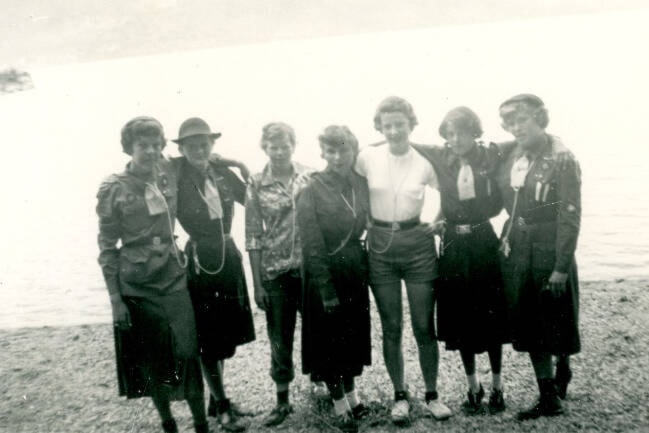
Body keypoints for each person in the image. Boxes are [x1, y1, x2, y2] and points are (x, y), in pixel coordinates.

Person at [96, 116, 211, 433]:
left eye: (155, 145)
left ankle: (202, 425)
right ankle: (168, 423)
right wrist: (116, 300)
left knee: (188, 352)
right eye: (141, 145)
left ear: (162, 146)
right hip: (137, 284)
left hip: (174, 277)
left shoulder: (169, 171)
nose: (149, 151)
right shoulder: (113, 189)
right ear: (129, 148)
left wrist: (238, 161)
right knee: (152, 359)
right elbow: (106, 248)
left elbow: (200, 156)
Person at [355, 96, 452, 425]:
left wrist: (436, 221)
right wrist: (363, 219)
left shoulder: (424, 160)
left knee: (425, 327)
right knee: (391, 327)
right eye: (388, 125)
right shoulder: (367, 156)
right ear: (379, 127)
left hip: (418, 244)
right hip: (380, 246)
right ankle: (400, 396)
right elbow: (351, 187)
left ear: (411, 124)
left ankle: (432, 395)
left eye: (400, 124)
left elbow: (448, 194)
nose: (394, 130)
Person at [495, 94, 581, 420]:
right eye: (511, 122)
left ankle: (563, 367)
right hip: (517, 245)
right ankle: (549, 395)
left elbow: (570, 216)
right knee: (530, 320)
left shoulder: (562, 159)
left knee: (555, 314)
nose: (516, 127)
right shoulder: (512, 151)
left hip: (548, 246)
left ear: (540, 118)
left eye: (522, 120)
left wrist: (561, 267)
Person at [172, 117, 256, 432]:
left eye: (204, 143)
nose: (198, 149)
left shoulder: (222, 172)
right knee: (208, 336)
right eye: (191, 145)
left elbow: (253, 200)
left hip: (228, 253)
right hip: (199, 258)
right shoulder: (177, 176)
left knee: (224, 335)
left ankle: (215, 399)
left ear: (213, 145)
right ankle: (222, 404)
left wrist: (240, 164)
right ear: (182, 149)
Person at [423, 107, 508, 415]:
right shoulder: (440, 157)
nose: (455, 139)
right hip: (453, 245)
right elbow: (404, 144)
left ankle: (498, 386)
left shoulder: (490, 156)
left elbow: (517, 144)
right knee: (460, 317)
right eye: (449, 133)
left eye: (461, 132)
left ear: (475, 132)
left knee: (492, 316)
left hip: (483, 240)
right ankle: (474, 387)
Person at [297, 126, 372, 433]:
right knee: (328, 342)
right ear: (323, 153)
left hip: (354, 271)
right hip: (323, 273)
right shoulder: (311, 188)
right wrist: (325, 288)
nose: (338, 157)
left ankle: (354, 398)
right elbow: (311, 243)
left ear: (353, 151)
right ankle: (339, 404)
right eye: (331, 151)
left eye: (344, 150)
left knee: (352, 337)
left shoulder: (360, 183)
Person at [245, 122, 315, 426]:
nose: (279, 151)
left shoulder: (309, 176)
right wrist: (257, 284)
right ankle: (282, 399)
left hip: (308, 268)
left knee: (315, 330)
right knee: (279, 338)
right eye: (273, 146)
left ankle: (321, 384)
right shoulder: (257, 182)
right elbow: (252, 235)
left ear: (293, 145)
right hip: (274, 272)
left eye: (284, 145)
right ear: (265, 148)